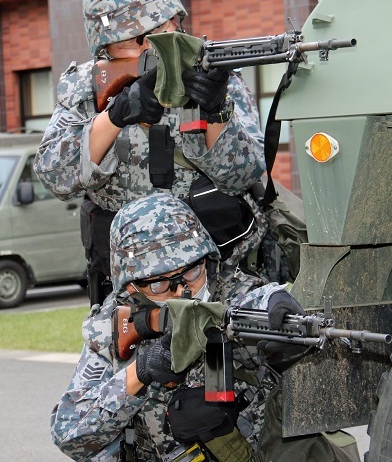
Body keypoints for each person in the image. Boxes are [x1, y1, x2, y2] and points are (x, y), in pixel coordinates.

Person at [33, 0, 269, 303]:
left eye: (168, 26)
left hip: (220, 278)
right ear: (106, 46)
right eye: (139, 38)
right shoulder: (86, 89)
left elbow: (245, 174)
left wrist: (214, 110)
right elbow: (55, 176)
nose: (155, 46)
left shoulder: (214, 77)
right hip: (133, 291)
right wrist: (115, 116)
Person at [50, 192, 306, 461]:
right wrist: (141, 371)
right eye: (160, 284)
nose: (181, 291)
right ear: (131, 287)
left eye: (191, 272)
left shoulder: (235, 291)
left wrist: (279, 303)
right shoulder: (113, 325)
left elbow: (257, 300)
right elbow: (69, 436)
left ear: (206, 259)